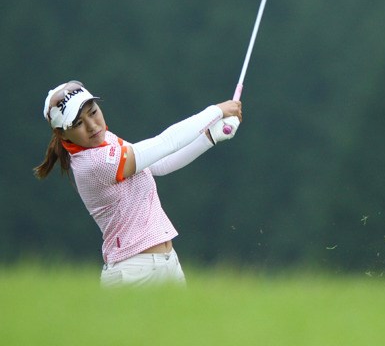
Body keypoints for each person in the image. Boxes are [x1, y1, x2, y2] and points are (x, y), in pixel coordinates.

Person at [34, 80, 242, 287]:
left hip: (166, 264)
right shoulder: (94, 162)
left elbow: (159, 164)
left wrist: (211, 135)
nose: (92, 125)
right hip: (133, 274)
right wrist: (216, 111)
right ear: (62, 133)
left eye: (93, 112)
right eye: (78, 123)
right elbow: (166, 143)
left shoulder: (106, 142)